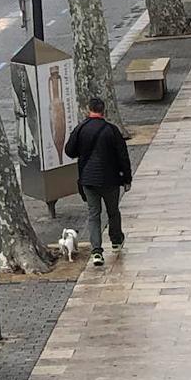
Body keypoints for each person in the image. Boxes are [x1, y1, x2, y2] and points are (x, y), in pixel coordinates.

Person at [64, 97, 132, 267]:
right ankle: (116, 241)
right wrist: (127, 178)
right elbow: (123, 156)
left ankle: (96, 252)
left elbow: (69, 151)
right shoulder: (112, 130)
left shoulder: (81, 129)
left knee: (94, 214)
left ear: (89, 110)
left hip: (88, 179)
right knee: (113, 211)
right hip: (110, 179)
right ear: (104, 111)